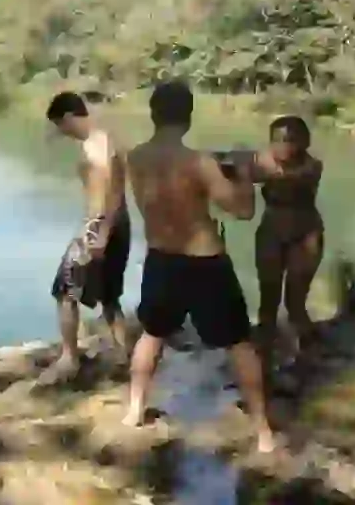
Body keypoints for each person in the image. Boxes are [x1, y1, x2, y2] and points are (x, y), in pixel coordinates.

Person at [124, 81, 275, 453]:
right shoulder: (198, 162)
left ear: (153, 113)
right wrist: (241, 174)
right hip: (204, 262)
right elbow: (242, 211)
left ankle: (133, 410)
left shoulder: (136, 157)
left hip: (160, 257)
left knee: (152, 334)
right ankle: (264, 432)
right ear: (189, 115)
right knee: (239, 342)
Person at [44, 91, 131, 377]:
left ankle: (70, 358)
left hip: (99, 225)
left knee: (64, 290)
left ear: (69, 117)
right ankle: (123, 355)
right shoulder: (101, 139)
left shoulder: (97, 143)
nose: (61, 132)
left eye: (60, 125)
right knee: (109, 295)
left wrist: (102, 231)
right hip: (114, 222)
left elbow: (115, 189)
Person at [253, 115, 324, 362]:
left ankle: (304, 355)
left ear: (304, 142)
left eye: (290, 140)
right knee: (267, 299)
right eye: (277, 140)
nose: (283, 145)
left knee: (295, 301)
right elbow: (241, 171)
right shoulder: (263, 162)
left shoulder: (313, 165)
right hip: (271, 233)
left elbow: (293, 177)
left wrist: (260, 169)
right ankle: (263, 358)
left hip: (304, 235)